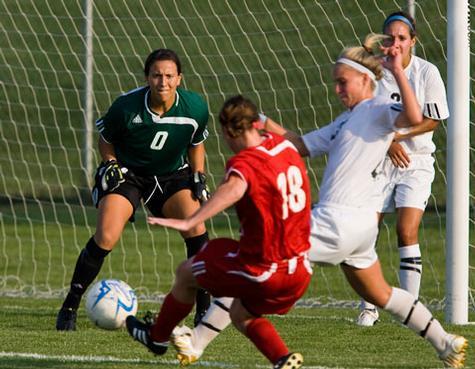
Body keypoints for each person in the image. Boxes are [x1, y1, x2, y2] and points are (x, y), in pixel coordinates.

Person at [167, 34, 467, 368]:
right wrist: (265, 124)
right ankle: (445, 343)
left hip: (337, 221)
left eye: (343, 82)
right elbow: (302, 145)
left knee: (254, 266)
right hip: (360, 228)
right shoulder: (347, 119)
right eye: (335, 84)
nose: (338, 90)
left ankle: (196, 342)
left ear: (366, 80)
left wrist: (397, 70)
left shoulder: (378, 109)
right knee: (380, 293)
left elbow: (414, 117)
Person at [125, 95, 313, 369]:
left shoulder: (244, 163)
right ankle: (282, 359)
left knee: (186, 273)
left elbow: (234, 188)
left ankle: (157, 337)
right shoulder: (285, 147)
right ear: (257, 123)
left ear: (227, 131)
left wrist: (191, 220)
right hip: (301, 271)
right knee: (240, 313)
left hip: (265, 269)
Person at [55, 48, 211, 331]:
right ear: (146, 78)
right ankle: (70, 304)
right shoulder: (126, 107)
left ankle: (204, 309)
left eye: (168, 76)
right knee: (106, 236)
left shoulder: (195, 108)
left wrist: (198, 175)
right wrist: (111, 163)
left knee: (196, 227)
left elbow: (195, 144)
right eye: (156, 75)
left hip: (172, 176)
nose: (162, 82)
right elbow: (106, 140)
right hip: (129, 175)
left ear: (179, 79)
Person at [356, 11, 450, 327]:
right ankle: (368, 307)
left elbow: (433, 120)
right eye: (390, 38)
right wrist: (387, 142)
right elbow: (364, 115)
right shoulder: (374, 74)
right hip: (379, 162)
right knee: (366, 231)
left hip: (416, 163)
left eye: (402, 38)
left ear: (413, 41)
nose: (395, 43)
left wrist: (398, 137)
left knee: (406, 230)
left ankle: (409, 312)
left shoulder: (427, 72)